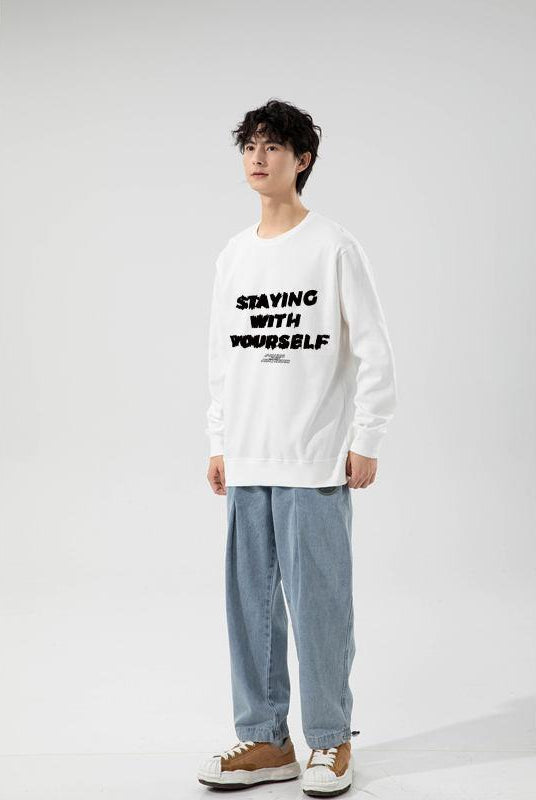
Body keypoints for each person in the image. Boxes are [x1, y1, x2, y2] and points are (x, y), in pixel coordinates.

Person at [197, 98, 397, 797]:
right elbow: (222, 357)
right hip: (248, 455)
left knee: (320, 607)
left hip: (314, 459)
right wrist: (218, 439)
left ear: (301, 160)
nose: (258, 157)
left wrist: (367, 436)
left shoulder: (333, 246)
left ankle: (331, 740)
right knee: (249, 606)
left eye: (273, 146)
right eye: (249, 146)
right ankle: (265, 738)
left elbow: (374, 350)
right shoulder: (234, 254)